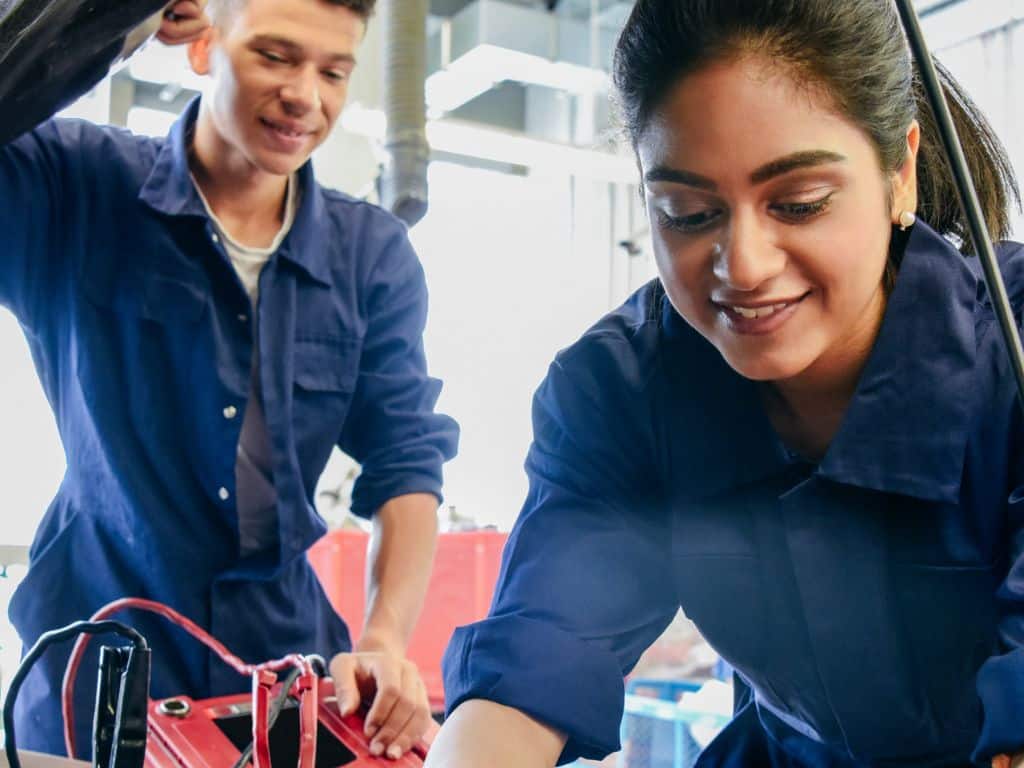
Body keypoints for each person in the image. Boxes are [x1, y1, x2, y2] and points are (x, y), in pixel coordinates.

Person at [426, 1, 1024, 766]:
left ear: (899, 173)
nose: (742, 265)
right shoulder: (623, 393)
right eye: (688, 212)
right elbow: (533, 661)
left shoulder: (1009, 357)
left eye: (798, 205)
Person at [1, 0, 458, 758]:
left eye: (333, 71)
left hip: (282, 682)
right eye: (276, 57)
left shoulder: (368, 255)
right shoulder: (74, 190)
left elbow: (406, 457)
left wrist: (383, 639)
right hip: (92, 672)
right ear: (202, 43)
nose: (306, 96)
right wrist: (117, 17)